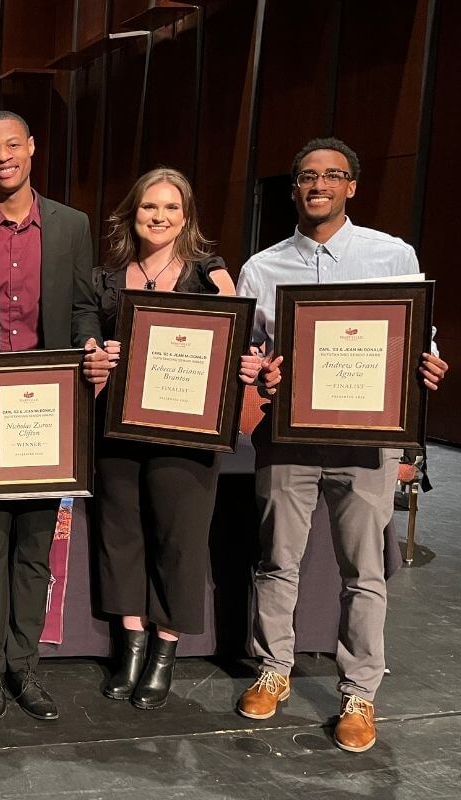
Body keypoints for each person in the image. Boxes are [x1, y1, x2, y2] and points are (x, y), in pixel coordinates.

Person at [235, 137, 448, 752]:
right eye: (306, 175)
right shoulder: (262, 267)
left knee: (366, 570)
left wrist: (428, 363)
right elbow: (250, 352)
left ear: (352, 185)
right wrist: (261, 370)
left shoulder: (392, 255)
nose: (318, 184)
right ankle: (272, 670)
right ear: (294, 187)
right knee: (278, 560)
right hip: (288, 439)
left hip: (366, 442)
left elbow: (418, 336)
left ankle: (359, 694)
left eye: (332, 175)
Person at [0, 110, 114, 720]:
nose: (1, 156)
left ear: (32, 149)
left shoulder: (71, 226)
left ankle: (24, 666)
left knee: (36, 548)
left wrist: (89, 347)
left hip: (50, 419)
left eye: (12, 145)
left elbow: (86, 308)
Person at [91, 167, 265, 709]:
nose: (158, 217)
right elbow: (89, 345)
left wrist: (244, 365)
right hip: (118, 433)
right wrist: (98, 356)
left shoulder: (211, 276)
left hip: (187, 438)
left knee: (178, 539)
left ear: (185, 217)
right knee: (122, 536)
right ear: (133, 213)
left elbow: (238, 348)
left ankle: (164, 653)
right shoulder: (108, 277)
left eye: (170, 208)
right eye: (149, 207)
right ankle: (132, 647)